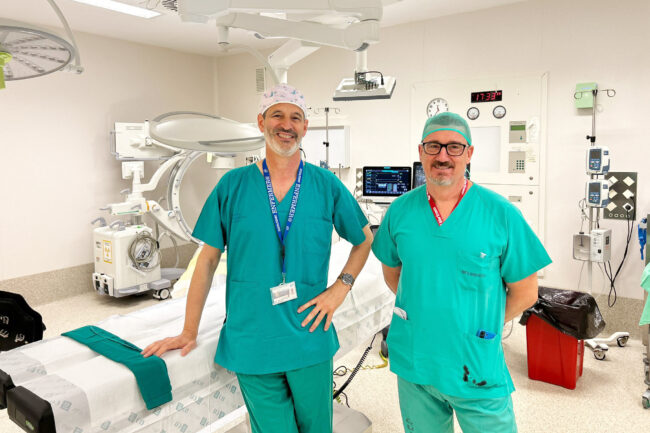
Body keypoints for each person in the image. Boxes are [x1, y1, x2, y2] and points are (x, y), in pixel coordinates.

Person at [142, 83, 373, 433]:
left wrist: (340, 288)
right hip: (252, 339)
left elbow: (364, 239)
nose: (286, 124)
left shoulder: (326, 185)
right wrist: (189, 331)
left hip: (309, 336)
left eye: (295, 117)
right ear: (261, 122)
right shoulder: (232, 186)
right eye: (277, 115)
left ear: (305, 127)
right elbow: (207, 261)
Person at [371, 112, 552, 433]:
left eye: (454, 147)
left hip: (475, 364)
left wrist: (479, 321)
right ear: (421, 152)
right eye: (433, 146)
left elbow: (526, 293)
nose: (443, 156)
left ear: (469, 153)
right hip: (416, 361)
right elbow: (393, 274)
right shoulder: (400, 211)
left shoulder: (501, 214)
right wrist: (427, 310)